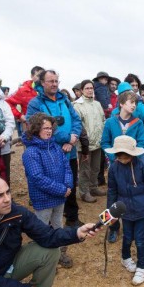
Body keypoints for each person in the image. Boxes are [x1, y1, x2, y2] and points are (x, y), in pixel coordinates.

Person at [26, 69, 82, 227]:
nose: (54, 84)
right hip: (48, 153)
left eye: (56, 81)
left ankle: (72, 217)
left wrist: (72, 140)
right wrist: (66, 138)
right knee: (52, 184)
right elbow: (36, 127)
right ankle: (49, 224)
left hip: (69, 151)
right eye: (51, 81)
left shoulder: (65, 100)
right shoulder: (35, 103)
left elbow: (76, 120)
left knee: (70, 183)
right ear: (42, 83)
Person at [106, 135, 144, 285]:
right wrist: (109, 213)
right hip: (124, 209)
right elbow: (111, 191)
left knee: (139, 239)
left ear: (132, 154)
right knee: (127, 236)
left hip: (142, 208)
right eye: (119, 156)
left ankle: (141, 267)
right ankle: (125, 258)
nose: (122, 159)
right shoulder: (113, 169)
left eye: (125, 156)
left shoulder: (143, 166)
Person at [22, 113, 74, 268]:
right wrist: (61, 189)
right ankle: (43, 259)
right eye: (45, 128)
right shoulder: (31, 153)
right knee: (42, 229)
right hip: (43, 198)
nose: (49, 131)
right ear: (36, 129)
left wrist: (68, 185)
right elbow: (37, 177)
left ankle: (58, 253)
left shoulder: (56, 147)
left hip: (60, 196)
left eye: (50, 128)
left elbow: (67, 167)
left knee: (58, 224)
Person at [101, 89, 144, 243]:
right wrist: (115, 157)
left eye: (135, 102)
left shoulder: (138, 123)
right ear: (121, 103)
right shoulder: (110, 122)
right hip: (115, 165)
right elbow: (105, 142)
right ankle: (112, 227)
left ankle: (131, 227)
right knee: (112, 196)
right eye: (131, 102)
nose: (134, 105)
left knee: (131, 196)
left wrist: (131, 157)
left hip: (132, 166)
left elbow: (141, 143)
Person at [73, 79, 106, 203]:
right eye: (87, 88)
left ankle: (93, 187)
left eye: (91, 88)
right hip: (84, 145)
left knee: (96, 168)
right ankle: (84, 192)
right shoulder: (77, 105)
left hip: (97, 143)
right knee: (85, 170)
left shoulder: (97, 104)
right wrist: (82, 143)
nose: (90, 90)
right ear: (81, 90)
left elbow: (102, 120)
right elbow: (78, 126)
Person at [6, 65, 43, 135]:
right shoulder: (23, 90)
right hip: (31, 127)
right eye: (38, 75)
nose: (40, 78)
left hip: (48, 126)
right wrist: (20, 115)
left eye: (42, 75)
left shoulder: (48, 89)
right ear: (32, 76)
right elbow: (8, 102)